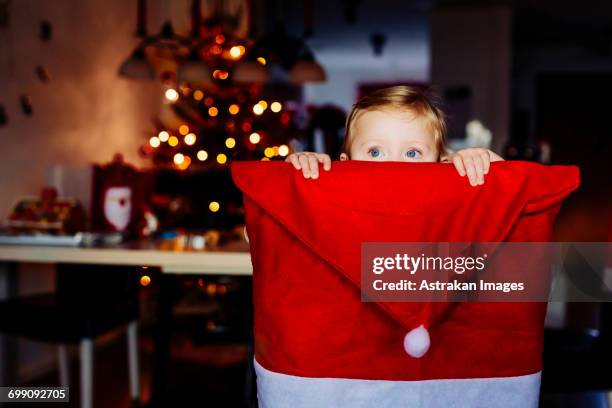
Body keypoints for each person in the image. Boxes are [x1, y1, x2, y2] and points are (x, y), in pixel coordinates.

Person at [285, 85, 503, 187]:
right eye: (375, 151)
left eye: (412, 153)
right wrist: (297, 179)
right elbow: (256, 234)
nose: (393, 165)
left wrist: (486, 166)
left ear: (440, 163)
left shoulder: (447, 199)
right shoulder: (336, 196)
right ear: (346, 164)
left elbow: (516, 213)